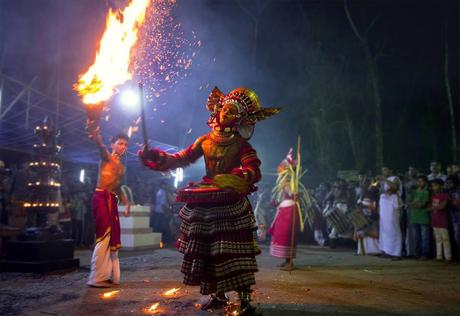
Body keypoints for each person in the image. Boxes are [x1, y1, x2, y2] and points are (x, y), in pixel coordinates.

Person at [139, 87, 279, 314]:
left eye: (233, 111)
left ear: (241, 119)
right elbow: (180, 159)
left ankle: (244, 300)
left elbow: (254, 169)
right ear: (218, 109)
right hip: (206, 204)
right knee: (209, 252)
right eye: (225, 108)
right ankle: (219, 295)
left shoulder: (242, 145)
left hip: (230, 206)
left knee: (234, 253)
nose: (226, 113)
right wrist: (155, 157)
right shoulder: (204, 140)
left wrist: (237, 177)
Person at [87, 127, 131, 288]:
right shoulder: (106, 158)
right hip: (100, 197)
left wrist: (126, 203)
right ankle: (96, 277)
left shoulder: (121, 168)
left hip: (112, 199)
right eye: (120, 143)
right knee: (103, 235)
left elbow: (118, 188)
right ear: (112, 144)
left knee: (112, 237)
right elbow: (101, 147)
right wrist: (97, 136)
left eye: (125, 145)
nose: (123, 147)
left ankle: (110, 275)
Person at [268, 149, 300, 269]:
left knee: (287, 235)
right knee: (281, 235)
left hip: (289, 210)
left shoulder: (291, 183)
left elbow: (295, 195)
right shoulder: (283, 182)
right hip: (283, 210)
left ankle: (290, 262)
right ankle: (286, 260)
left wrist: (295, 193)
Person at [378, 166, 402, 260]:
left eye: (385, 170)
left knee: (393, 227)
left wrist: (384, 179)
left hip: (392, 204)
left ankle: (396, 253)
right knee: (384, 228)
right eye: (382, 170)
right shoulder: (384, 180)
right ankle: (387, 250)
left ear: (391, 170)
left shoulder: (395, 178)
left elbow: (394, 187)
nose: (383, 172)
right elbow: (382, 191)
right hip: (384, 204)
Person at [407, 175, 431, 260]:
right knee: (416, 237)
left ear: (425, 182)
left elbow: (422, 205)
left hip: (424, 217)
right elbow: (409, 203)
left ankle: (425, 255)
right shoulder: (414, 191)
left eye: (421, 181)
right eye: (418, 181)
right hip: (414, 217)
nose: (419, 183)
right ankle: (417, 254)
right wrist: (416, 204)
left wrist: (414, 204)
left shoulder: (426, 192)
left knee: (425, 238)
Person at [429, 179, 451, 261]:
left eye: (435, 185)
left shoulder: (445, 195)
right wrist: (435, 207)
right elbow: (431, 207)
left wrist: (433, 207)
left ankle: (448, 257)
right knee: (438, 239)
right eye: (432, 186)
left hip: (443, 220)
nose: (433, 187)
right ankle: (439, 256)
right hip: (435, 220)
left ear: (441, 186)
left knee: (445, 239)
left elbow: (443, 206)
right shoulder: (433, 196)